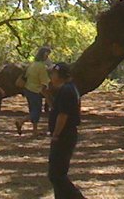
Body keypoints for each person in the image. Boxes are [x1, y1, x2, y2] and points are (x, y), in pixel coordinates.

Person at [47, 62, 86, 199]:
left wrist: (56, 134)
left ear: (59, 75)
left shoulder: (67, 90)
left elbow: (63, 115)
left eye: (53, 73)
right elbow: (57, 109)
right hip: (66, 134)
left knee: (56, 174)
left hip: (64, 135)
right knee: (57, 173)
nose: (51, 76)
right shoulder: (68, 88)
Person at [16, 46, 52, 136]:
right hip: (36, 91)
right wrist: (47, 94)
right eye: (47, 55)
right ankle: (21, 121)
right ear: (44, 55)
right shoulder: (41, 67)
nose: (47, 57)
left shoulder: (32, 64)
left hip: (28, 89)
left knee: (33, 110)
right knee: (36, 111)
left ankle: (35, 130)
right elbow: (44, 81)